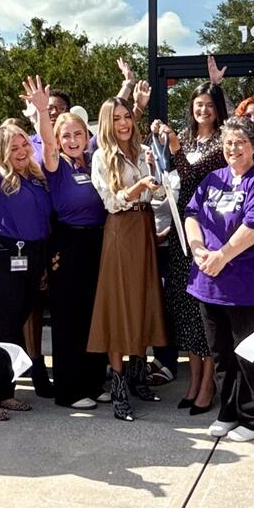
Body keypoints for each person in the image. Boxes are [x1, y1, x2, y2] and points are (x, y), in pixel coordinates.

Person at [184, 116, 254, 442]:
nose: (233, 148)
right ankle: (228, 411)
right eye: (229, 142)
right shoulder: (212, 179)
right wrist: (199, 248)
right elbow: (191, 215)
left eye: (241, 142)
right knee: (223, 355)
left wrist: (222, 255)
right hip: (211, 284)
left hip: (251, 286)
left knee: (253, 353)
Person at [0, 82, 54, 421]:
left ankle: (5, 391)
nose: (21, 149)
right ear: (2, 149)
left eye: (23, 143)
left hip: (31, 256)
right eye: (13, 145)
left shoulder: (35, 178)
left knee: (15, 327)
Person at [89, 97, 169, 421]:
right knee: (120, 304)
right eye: (117, 118)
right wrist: (138, 186)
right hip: (121, 230)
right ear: (107, 123)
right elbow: (111, 201)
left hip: (146, 226)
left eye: (127, 116)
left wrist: (158, 180)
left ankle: (138, 375)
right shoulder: (101, 157)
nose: (124, 123)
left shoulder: (143, 151)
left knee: (144, 300)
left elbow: (160, 194)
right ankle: (119, 385)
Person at [153, 82, 226, 414]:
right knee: (183, 308)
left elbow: (194, 174)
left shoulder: (222, 140)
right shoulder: (186, 136)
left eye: (209, 104)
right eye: (198, 104)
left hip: (207, 227)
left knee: (204, 310)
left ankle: (208, 384)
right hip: (181, 227)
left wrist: (175, 148)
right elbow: (172, 175)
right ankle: (193, 379)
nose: (203, 110)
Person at [39, 98, 108, 410]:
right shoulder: (56, 166)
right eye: (65, 136)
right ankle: (69, 389)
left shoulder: (92, 163)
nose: (72, 141)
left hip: (97, 242)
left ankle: (94, 383)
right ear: (57, 140)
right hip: (68, 244)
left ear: (87, 136)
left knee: (94, 314)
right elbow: (49, 148)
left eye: (77, 134)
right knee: (70, 318)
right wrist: (42, 111)